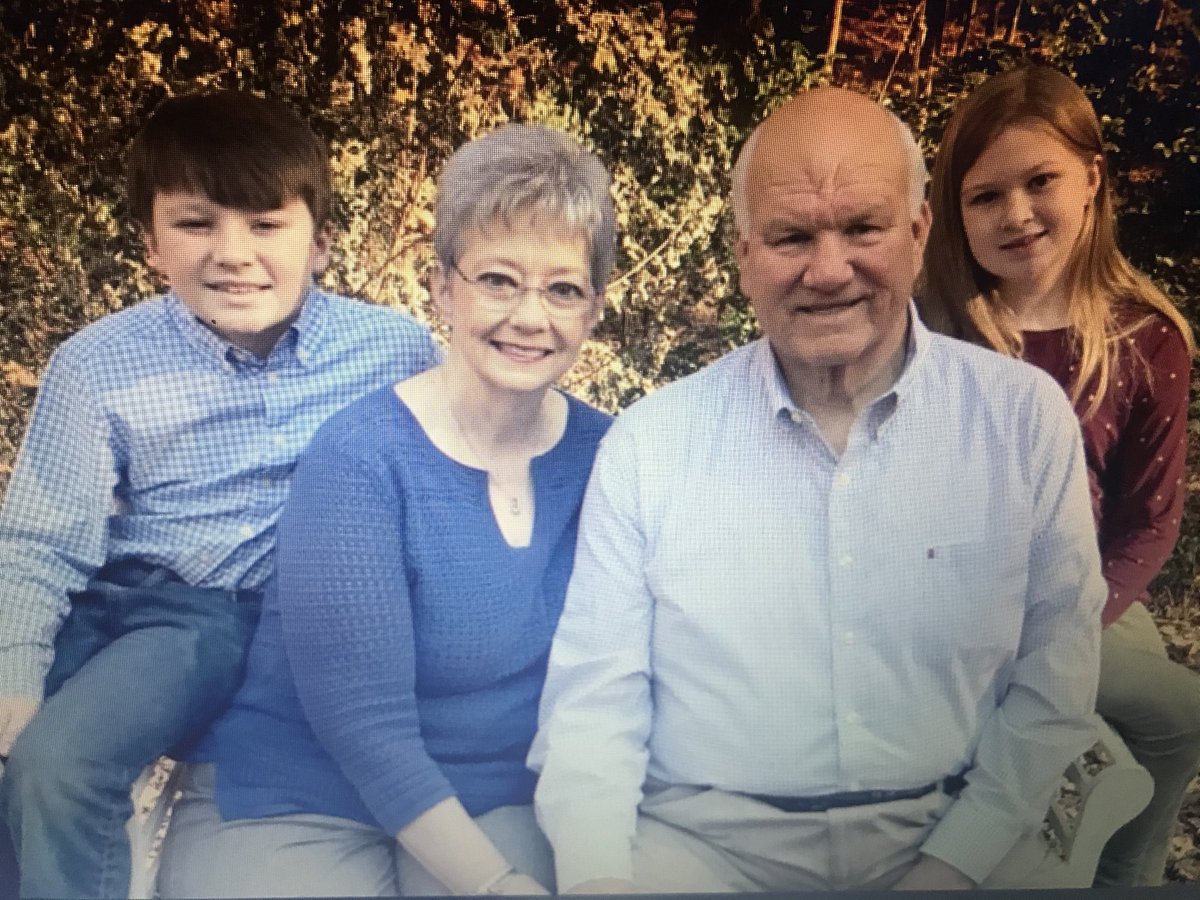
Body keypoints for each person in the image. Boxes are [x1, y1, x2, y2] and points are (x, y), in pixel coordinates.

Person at [529, 86, 1107, 893]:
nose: (827, 270)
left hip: (955, 832)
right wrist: (597, 884)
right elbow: (593, 710)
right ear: (743, 255)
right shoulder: (652, 445)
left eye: (862, 228)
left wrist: (953, 866)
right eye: (792, 236)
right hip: (702, 849)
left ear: (916, 233)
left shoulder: (1019, 421)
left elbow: (1058, 676)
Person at [156, 123, 615, 898]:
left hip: (498, 792)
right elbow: (365, 730)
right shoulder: (360, 459)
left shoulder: (611, 457)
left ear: (594, 308)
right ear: (442, 288)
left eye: (563, 288)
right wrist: (498, 886)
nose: (530, 317)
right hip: (304, 792)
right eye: (498, 280)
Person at [0, 91, 439, 899]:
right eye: (197, 224)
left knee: (57, 766)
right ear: (150, 245)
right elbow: (40, 542)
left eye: (266, 224)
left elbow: (445, 478)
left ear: (322, 244)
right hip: (108, 595)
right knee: (13, 751)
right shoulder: (99, 363)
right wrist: (15, 678)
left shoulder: (394, 352)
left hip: (211, 614)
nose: (233, 253)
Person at [919, 64, 1200, 887]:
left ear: (1092, 176)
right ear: (953, 213)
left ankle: (1125, 878)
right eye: (984, 196)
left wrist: (1076, 626)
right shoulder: (934, 333)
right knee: (1174, 711)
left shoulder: (1149, 341)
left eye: (1040, 180)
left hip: (1081, 601)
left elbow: (1148, 523)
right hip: (954, 605)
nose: (1017, 214)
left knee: (1176, 712)